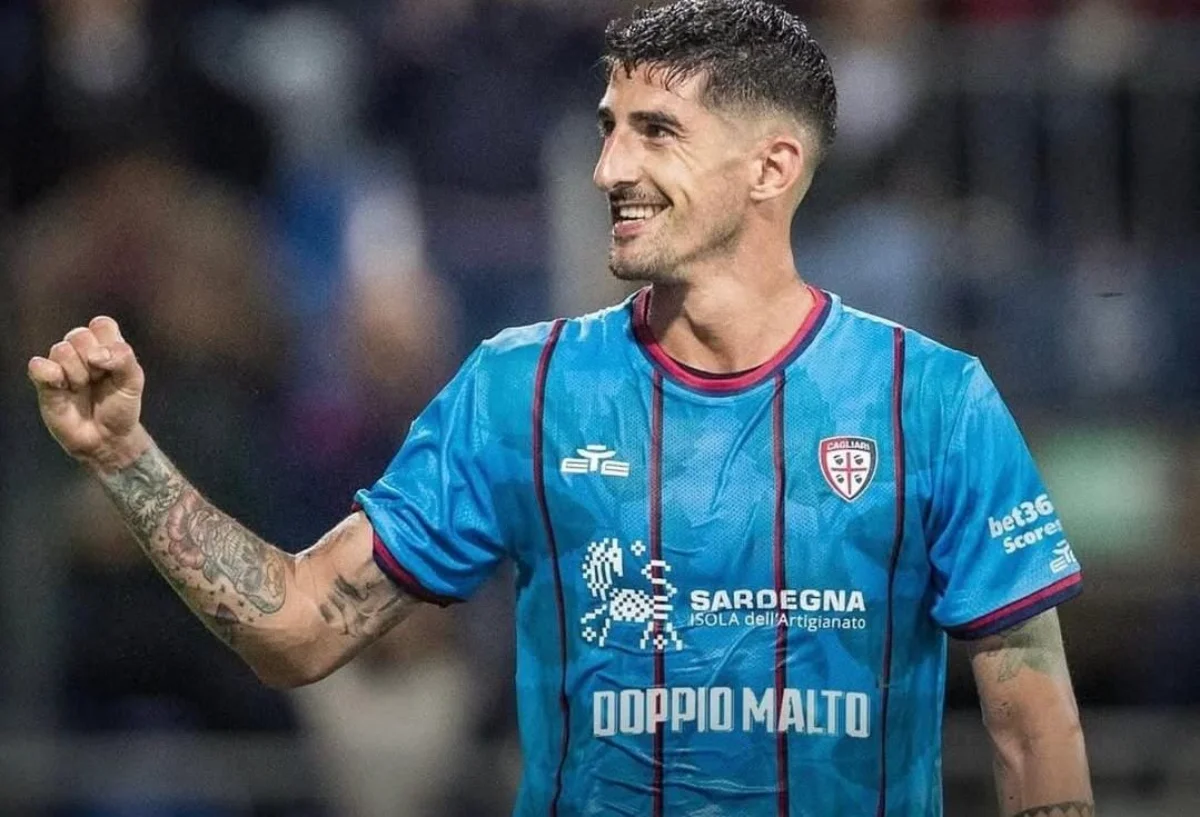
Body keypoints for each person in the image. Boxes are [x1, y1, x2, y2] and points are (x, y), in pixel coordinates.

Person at [27, 1, 1093, 815]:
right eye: (608, 128)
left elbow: (1031, 722)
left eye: (656, 132)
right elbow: (299, 630)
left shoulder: (933, 401)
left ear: (773, 166)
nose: (606, 167)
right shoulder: (519, 391)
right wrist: (127, 456)